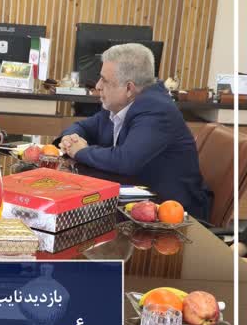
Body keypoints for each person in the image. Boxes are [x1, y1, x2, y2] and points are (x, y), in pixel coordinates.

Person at [58, 43, 210, 219]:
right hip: (136, 203)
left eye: (104, 80)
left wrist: (80, 151)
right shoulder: (117, 105)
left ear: (129, 88)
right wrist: (70, 138)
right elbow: (83, 127)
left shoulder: (157, 109)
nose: (98, 85)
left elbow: (125, 160)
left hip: (172, 214)